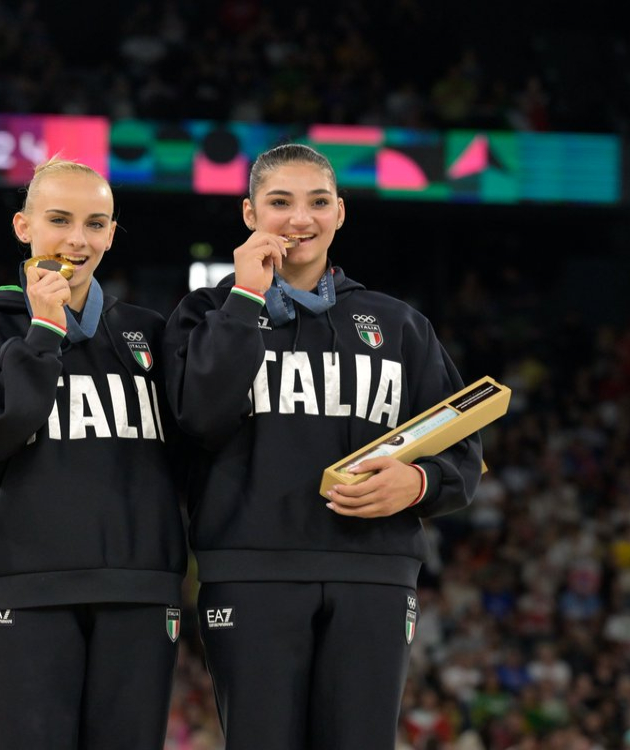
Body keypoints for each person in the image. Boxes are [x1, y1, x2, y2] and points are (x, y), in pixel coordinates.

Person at [162, 143, 483, 749]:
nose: (299, 219)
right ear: (250, 214)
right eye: (279, 202)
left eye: (317, 202)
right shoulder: (203, 315)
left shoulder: (400, 326)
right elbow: (198, 419)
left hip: (374, 573)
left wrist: (418, 483)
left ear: (341, 213)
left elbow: (462, 447)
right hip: (250, 571)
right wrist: (245, 302)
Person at [0, 158, 186, 749]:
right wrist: (44, 333)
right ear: (24, 226)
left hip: (141, 586)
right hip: (29, 584)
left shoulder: (147, 330)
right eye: (60, 219)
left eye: (96, 223)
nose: (78, 239)